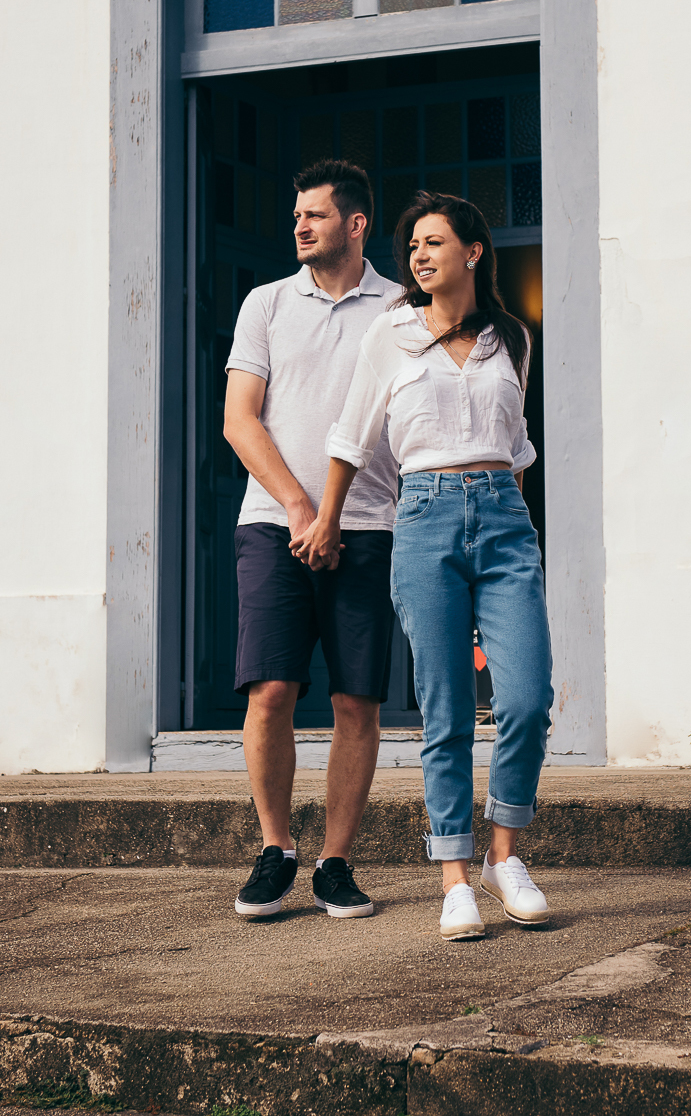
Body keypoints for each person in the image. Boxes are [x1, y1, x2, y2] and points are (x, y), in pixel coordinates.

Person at [294, 192, 553, 941]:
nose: (417, 254)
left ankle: (505, 856)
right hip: (424, 518)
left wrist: (519, 524)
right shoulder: (390, 335)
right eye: (411, 245)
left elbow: (518, 447)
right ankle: (453, 878)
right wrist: (329, 518)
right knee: (444, 715)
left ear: (472, 251)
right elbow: (351, 434)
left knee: (528, 700)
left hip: (504, 520)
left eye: (433, 241)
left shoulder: (512, 339)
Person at [222, 158, 403, 921]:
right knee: (270, 691)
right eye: (296, 215)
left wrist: (335, 515)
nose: (299, 225)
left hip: (367, 524)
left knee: (355, 702)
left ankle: (334, 861)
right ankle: (275, 850)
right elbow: (239, 419)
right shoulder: (265, 304)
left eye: (316, 215)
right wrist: (300, 509)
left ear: (355, 224)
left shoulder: (400, 308)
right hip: (272, 523)